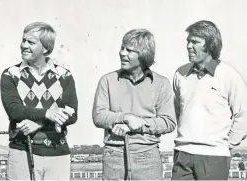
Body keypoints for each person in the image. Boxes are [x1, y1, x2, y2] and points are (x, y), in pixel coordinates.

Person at [92, 29, 176, 180]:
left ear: (143, 54)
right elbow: (98, 115)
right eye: (122, 48)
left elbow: (168, 122)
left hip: (148, 157)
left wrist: (139, 123)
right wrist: (126, 117)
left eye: (129, 50)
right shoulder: (107, 80)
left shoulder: (161, 83)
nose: (122, 53)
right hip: (113, 156)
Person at [0, 22, 78, 180]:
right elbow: (14, 110)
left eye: (31, 42)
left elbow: (71, 114)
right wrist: (48, 113)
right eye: (23, 40)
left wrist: (39, 123)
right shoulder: (10, 74)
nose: (24, 46)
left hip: (58, 153)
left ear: (46, 48)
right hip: (21, 151)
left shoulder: (64, 75)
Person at [172, 20, 247, 180]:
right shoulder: (180, 74)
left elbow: (243, 116)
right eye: (188, 41)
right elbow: (179, 111)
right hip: (182, 155)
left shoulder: (229, 75)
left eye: (195, 42)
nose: (189, 46)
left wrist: (226, 144)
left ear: (211, 45)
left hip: (214, 158)